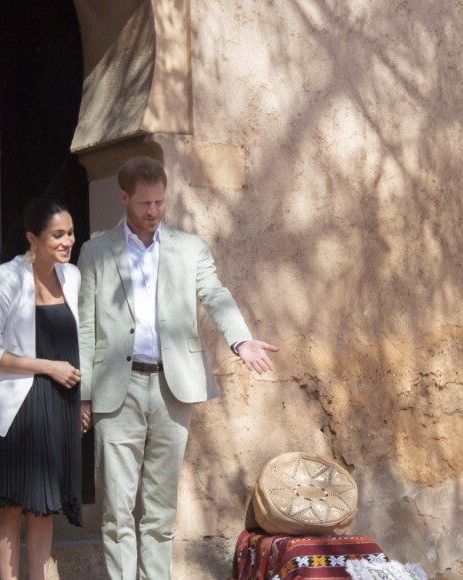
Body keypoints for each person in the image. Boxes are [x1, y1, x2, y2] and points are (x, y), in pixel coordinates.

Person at [77, 156, 278, 580]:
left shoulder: (190, 248)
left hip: (173, 390)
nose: (153, 212)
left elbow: (216, 295)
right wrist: (84, 395)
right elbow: (87, 327)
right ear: (124, 198)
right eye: (145, 203)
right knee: (116, 511)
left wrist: (240, 339)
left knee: (159, 509)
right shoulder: (95, 252)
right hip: (117, 391)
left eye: (160, 203)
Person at [0, 199, 90, 580]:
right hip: (13, 408)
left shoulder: (73, 277)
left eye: (70, 232)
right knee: (12, 506)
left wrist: (81, 401)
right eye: (58, 235)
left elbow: (78, 341)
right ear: (33, 238)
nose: (68, 241)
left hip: (58, 405)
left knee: (43, 506)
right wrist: (47, 366)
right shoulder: (5, 277)